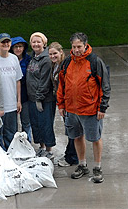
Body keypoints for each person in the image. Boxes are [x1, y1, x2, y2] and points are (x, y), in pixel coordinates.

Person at [56, 32, 110, 183]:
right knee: (76, 137)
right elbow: (62, 85)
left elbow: (105, 86)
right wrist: (61, 105)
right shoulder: (67, 62)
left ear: (85, 45)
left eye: (79, 46)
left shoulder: (94, 62)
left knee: (95, 138)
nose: (76, 50)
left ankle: (97, 168)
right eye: (74, 47)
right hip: (71, 110)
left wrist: (102, 107)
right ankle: (82, 165)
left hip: (91, 110)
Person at [26, 32, 56, 160]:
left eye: (39, 41)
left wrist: (39, 98)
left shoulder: (46, 59)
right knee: (36, 125)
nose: (36, 44)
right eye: (33, 42)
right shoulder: (33, 58)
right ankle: (42, 147)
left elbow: (44, 82)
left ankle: (49, 150)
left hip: (45, 100)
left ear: (44, 43)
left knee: (46, 124)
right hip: (32, 98)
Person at [48, 41, 78, 166]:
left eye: (55, 53)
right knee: (69, 128)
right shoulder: (54, 65)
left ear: (61, 52)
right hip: (61, 101)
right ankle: (71, 153)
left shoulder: (66, 65)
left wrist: (64, 103)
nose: (53, 56)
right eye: (50, 54)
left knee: (72, 130)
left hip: (68, 102)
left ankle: (72, 157)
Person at [0, 33, 23, 150]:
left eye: (7, 42)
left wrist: (18, 101)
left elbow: (17, 81)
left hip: (11, 104)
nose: (5, 44)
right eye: (3, 42)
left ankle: (12, 155)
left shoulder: (14, 58)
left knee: (11, 133)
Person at [10, 36, 32, 142]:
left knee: (26, 122)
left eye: (20, 46)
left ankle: (26, 142)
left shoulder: (28, 60)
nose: (18, 49)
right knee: (12, 123)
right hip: (11, 94)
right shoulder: (9, 59)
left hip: (26, 95)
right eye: (16, 47)